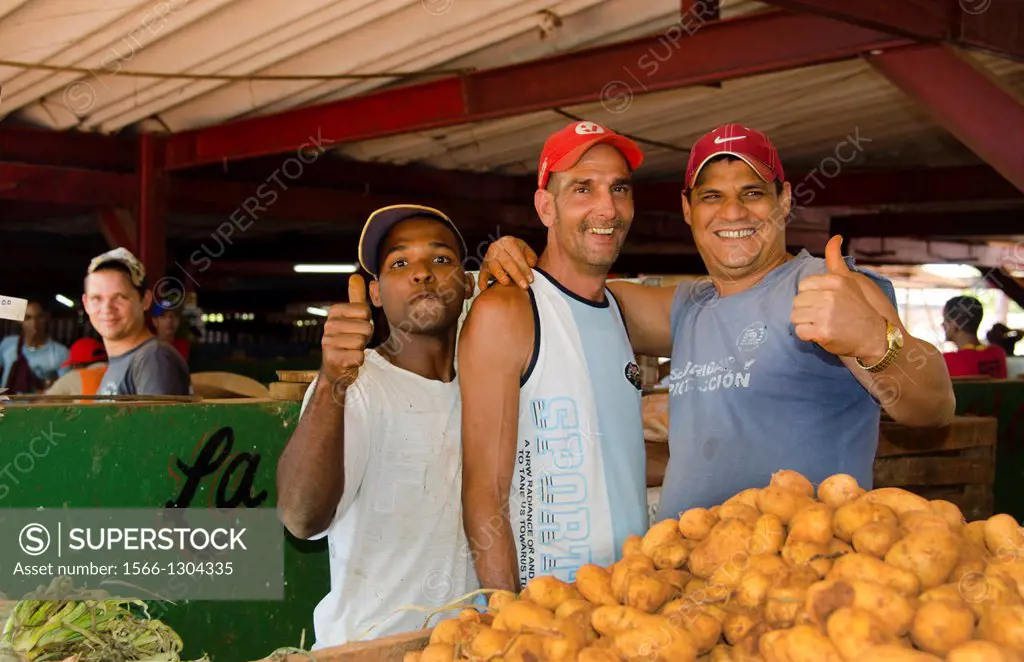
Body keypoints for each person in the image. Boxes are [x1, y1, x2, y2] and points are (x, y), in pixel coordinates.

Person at [480, 123, 956, 518]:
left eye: (752, 193)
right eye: (712, 197)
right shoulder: (687, 306)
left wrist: (875, 341)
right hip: (687, 584)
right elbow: (569, 292)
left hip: (802, 584)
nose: (732, 212)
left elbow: (933, 407)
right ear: (688, 209)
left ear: (784, 200)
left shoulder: (826, 285)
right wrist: (517, 258)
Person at [276, 205, 479, 649]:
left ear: (467, 284)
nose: (422, 273)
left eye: (441, 259)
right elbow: (301, 519)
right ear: (375, 293)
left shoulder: (491, 381)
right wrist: (332, 381)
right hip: (371, 649)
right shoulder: (358, 385)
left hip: (472, 646)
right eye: (400, 263)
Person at [458, 120, 649, 592]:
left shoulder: (621, 309)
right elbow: (485, 495)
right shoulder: (508, 309)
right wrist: (509, 620)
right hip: (546, 619)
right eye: (583, 188)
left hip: (628, 606)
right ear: (546, 206)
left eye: (618, 189)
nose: (607, 207)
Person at [82, 248, 191, 396]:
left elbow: (157, 419)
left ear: (145, 300)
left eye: (120, 297)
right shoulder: (122, 362)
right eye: (96, 299)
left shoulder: (153, 358)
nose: (107, 308)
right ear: (86, 303)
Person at [0, 301, 69, 394]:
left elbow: (67, 390)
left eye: (39, 317)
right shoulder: (8, 344)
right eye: (27, 318)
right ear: (19, 320)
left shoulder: (60, 352)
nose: (34, 323)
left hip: (36, 406)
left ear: (46, 318)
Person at [942, 295, 1007, 378]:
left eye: (945, 320)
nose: (942, 324)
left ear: (955, 325)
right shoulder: (998, 353)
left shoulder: (947, 361)